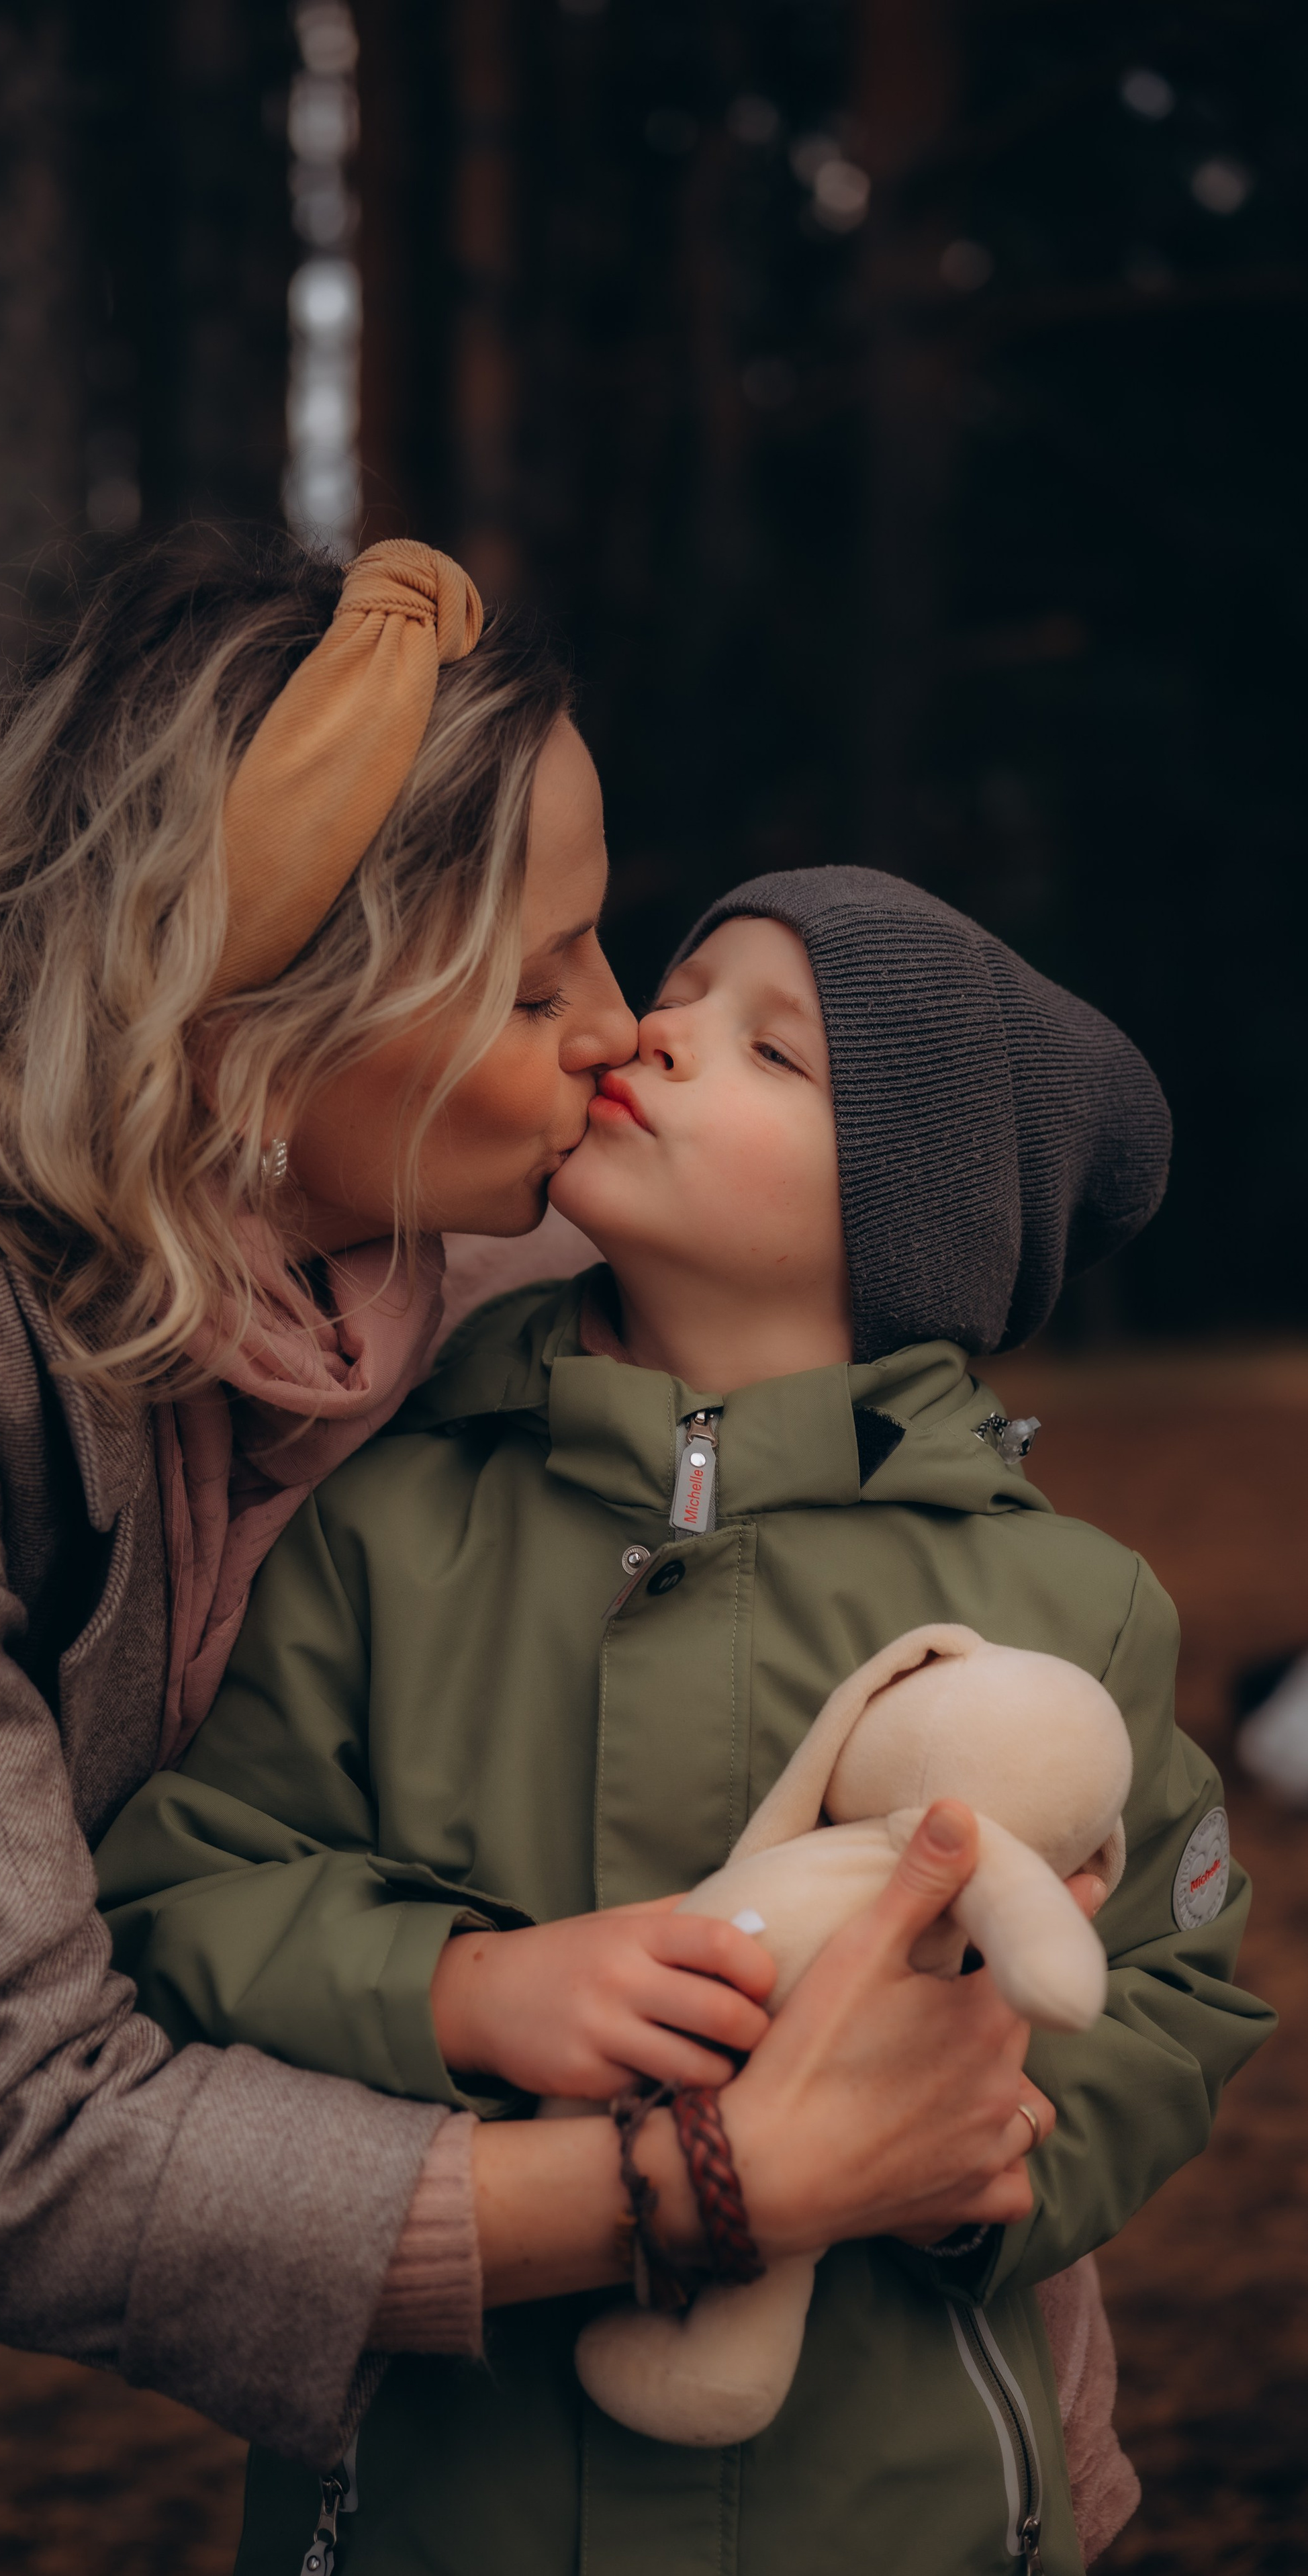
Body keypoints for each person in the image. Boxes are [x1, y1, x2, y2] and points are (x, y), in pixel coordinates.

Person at [0, 539, 1048, 2576]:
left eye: (604, 945)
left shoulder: (426, 1221)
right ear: (247, 1020)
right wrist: (704, 2178)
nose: (618, 1039)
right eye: (538, 985)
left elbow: (849, 1460)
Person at [95, 865, 1274, 2575]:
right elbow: (186, 1887)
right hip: (455, 2504)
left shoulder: (1067, 1603)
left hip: (887, 2509)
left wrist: (990, 2155)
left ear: (902, 1216)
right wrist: (459, 1989)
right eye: (682, 983)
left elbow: (1173, 1981)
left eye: (768, 1047)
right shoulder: (389, 1524)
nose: (654, 1028)